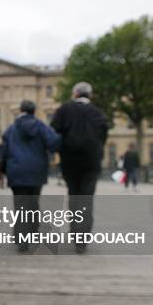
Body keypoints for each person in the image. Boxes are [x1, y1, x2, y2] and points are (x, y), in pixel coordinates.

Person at [51, 82, 109, 253]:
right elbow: (103, 136)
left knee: (74, 195)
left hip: (70, 161)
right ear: (89, 95)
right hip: (91, 162)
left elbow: (54, 131)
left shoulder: (63, 110)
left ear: (75, 94)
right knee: (87, 197)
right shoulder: (98, 113)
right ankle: (83, 237)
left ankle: (76, 233)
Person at [0, 100, 60, 252]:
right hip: (37, 170)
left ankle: (21, 239)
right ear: (34, 111)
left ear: (21, 110)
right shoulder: (41, 126)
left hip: (17, 171)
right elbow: (53, 143)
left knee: (20, 205)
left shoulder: (11, 129)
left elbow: (4, 153)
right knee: (33, 202)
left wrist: (3, 170)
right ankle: (32, 233)